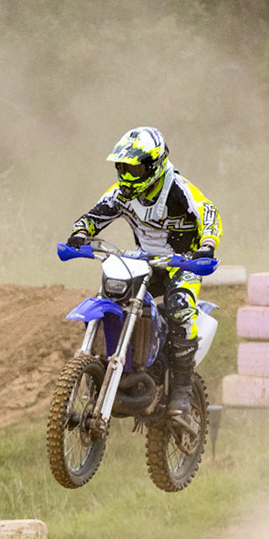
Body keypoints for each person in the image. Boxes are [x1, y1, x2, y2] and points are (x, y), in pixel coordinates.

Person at [66, 126, 222, 418]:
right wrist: (79, 234)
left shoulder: (178, 190)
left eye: (134, 168)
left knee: (179, 308)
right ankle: (105, 374)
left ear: (154, 164)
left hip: (182, 263)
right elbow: (94, 216)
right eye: (123, 167)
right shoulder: (121, 194)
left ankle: (181, 390)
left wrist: (207, 247)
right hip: (144, 262)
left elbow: (209, 215)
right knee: (113, 297)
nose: (127, 175)